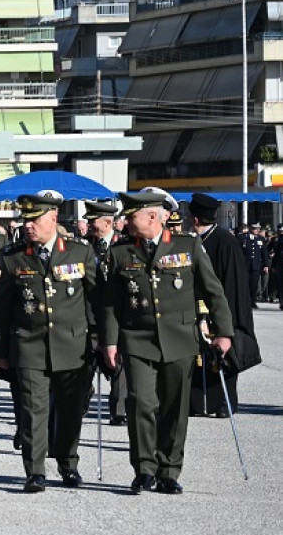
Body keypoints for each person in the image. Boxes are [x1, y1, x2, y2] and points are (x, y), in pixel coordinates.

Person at [98, 190, 233, 495]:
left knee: (175, 407)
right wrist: (109, 342)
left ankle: (169, 470)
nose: (126, 222)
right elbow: (110, 305)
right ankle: (144, 468)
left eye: (132, 216)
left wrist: (223, 332)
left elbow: (213, 292)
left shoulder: (188, 246)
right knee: (140, 403)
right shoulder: (120, 253)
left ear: (153, 216)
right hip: (137, 339)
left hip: (178, 339)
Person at [0, 191, 98, 492]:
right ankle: (35, 470)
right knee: (33, 410)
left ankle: (68, 463)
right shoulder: (13, 257)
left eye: (35, 219)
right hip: (29, 345)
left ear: (53, 218)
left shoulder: (80, 253)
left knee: (69, 410)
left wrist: (101, 342)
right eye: (25, 219)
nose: (28, 225)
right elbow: (1, 309)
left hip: (72, 347)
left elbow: (96, 300)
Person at [186, 194, 262, 416]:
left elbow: (231, 284)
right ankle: (199, 404)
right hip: (197, 310)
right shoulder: (197, 241)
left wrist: (223, 318)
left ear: (196, 219)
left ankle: (224, 404)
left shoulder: (225, 241)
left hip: (220, 310)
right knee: (199, 358)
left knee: (224, 357)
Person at [84, 200, 128, 426]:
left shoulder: (124, 246)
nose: (89, 224)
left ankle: (119, 409)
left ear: (108, 222)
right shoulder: (82, 247)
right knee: (85, 361)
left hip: (116, 313)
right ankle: (83, 397)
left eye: (93, 220)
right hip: (88, 314)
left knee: (118, 361)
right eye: (89, 220)